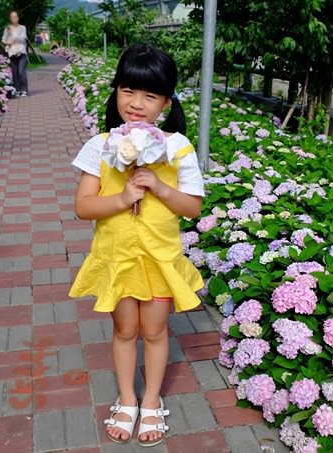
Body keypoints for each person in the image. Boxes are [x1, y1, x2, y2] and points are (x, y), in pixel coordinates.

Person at [69, 44, 205, 447]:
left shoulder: (178, 147)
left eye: (150, 95)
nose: (137, 104)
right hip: (118, 258)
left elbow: (192, 208)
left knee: (154, 329)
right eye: (129, 91)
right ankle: (127, 398)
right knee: (125, 329)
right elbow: (83, 207)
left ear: (166, 101)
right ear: (116, 92)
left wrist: (159, 186)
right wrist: (122, 198)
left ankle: (150, 400)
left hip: (160, 259)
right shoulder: (101, 145)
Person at [1, 11, 28, 97]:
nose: (14, 18)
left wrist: (13, 39)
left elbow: (23, 38)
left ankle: (24, 90)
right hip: (12, 52)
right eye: (12, 17)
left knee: (21, 71)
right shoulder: (8, 28)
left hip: (21, 51)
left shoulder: (22, 28)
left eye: (15, 17)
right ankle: (17, 89)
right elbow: (3, 39)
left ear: (18, 18)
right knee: (15, 72)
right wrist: (7, 42)